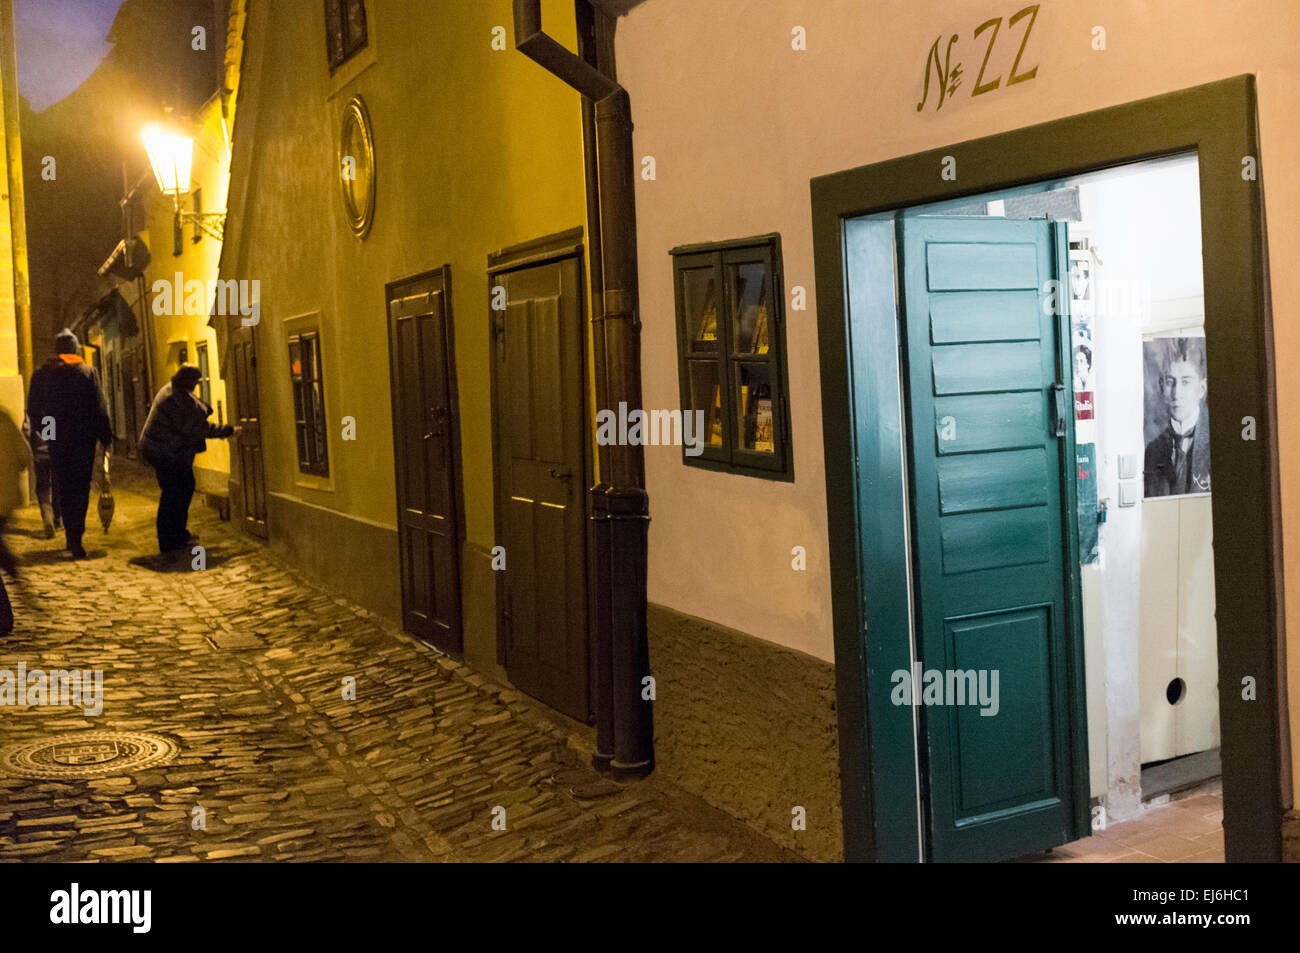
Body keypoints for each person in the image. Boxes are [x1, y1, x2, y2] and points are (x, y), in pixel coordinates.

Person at [25, 329, 114, 558]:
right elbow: (98, 408)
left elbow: (34, 408)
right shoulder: (87, 372)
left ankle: (69, 535)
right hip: (83, 439)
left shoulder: (43, 374)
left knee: (62, 485)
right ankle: (76, 536)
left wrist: (48, 432)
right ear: (75, 348)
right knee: (80, 487)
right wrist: (104, 436)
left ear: (57, 349)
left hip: (58, 440)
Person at [139, 364, 235, 554]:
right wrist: (228, 430)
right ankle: (169, 540)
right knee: (173, 494)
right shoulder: (174, 399)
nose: (196, 385)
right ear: (188, 381)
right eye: (195, 381)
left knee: (183, 488)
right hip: (164, 452)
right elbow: (197, 428)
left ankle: (178, 534)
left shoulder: (175, 391)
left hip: (169, 452)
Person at [1144, 338, 1211, 497]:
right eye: (1170, 382)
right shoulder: (1153, 451)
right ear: (1161, 387)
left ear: (1201, 389)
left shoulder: (1217, 441)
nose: (1176, 394)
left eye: (1186, 382)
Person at [0, 406, 33, 637]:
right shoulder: (5, 419)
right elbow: (24, 456)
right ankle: (18, 582)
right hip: (5, 502)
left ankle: (4, 618)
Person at [22, 411, 60, 538]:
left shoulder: (33, 411)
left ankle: (48, 517)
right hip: (55, 455)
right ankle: (57, 520)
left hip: (39, 456)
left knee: (42, 489)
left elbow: (26, 431)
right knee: (57, 487)